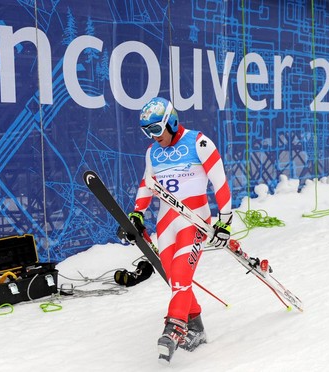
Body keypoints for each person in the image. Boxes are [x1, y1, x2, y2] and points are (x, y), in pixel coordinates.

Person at [119, 96, 233, 364]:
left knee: (181, 274)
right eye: (147, 131)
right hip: (166, 224)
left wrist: (225, 221)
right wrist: (137, 213)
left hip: (194, 222)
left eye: (157, 129)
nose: (153, 136)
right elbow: (147, 185)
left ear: (171, 121)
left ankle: (174, 329)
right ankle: (197, 328)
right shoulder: (152, 153)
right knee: (175, 280)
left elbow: (221, 182)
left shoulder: (199, 143)